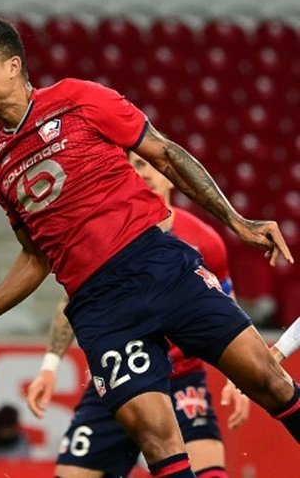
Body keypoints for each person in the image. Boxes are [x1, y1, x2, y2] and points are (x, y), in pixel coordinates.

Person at [0, 19, 300, 478]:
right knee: (158, 439)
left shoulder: (78, 98)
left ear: (12, 66)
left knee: (270, 380)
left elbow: (165, 153)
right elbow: (37, 256)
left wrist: (236, 221)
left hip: (158, 265)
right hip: (100, 307)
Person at [26, 152, 251, 478]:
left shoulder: (205, 241)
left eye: (147, 163)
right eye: (132, 164)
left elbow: (225, 306)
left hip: (181, 380)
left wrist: (237, 379)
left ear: (170, 175)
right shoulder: (102, 236)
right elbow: (72, 302)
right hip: (117, 375)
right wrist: (49, 367)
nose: (140, 171)